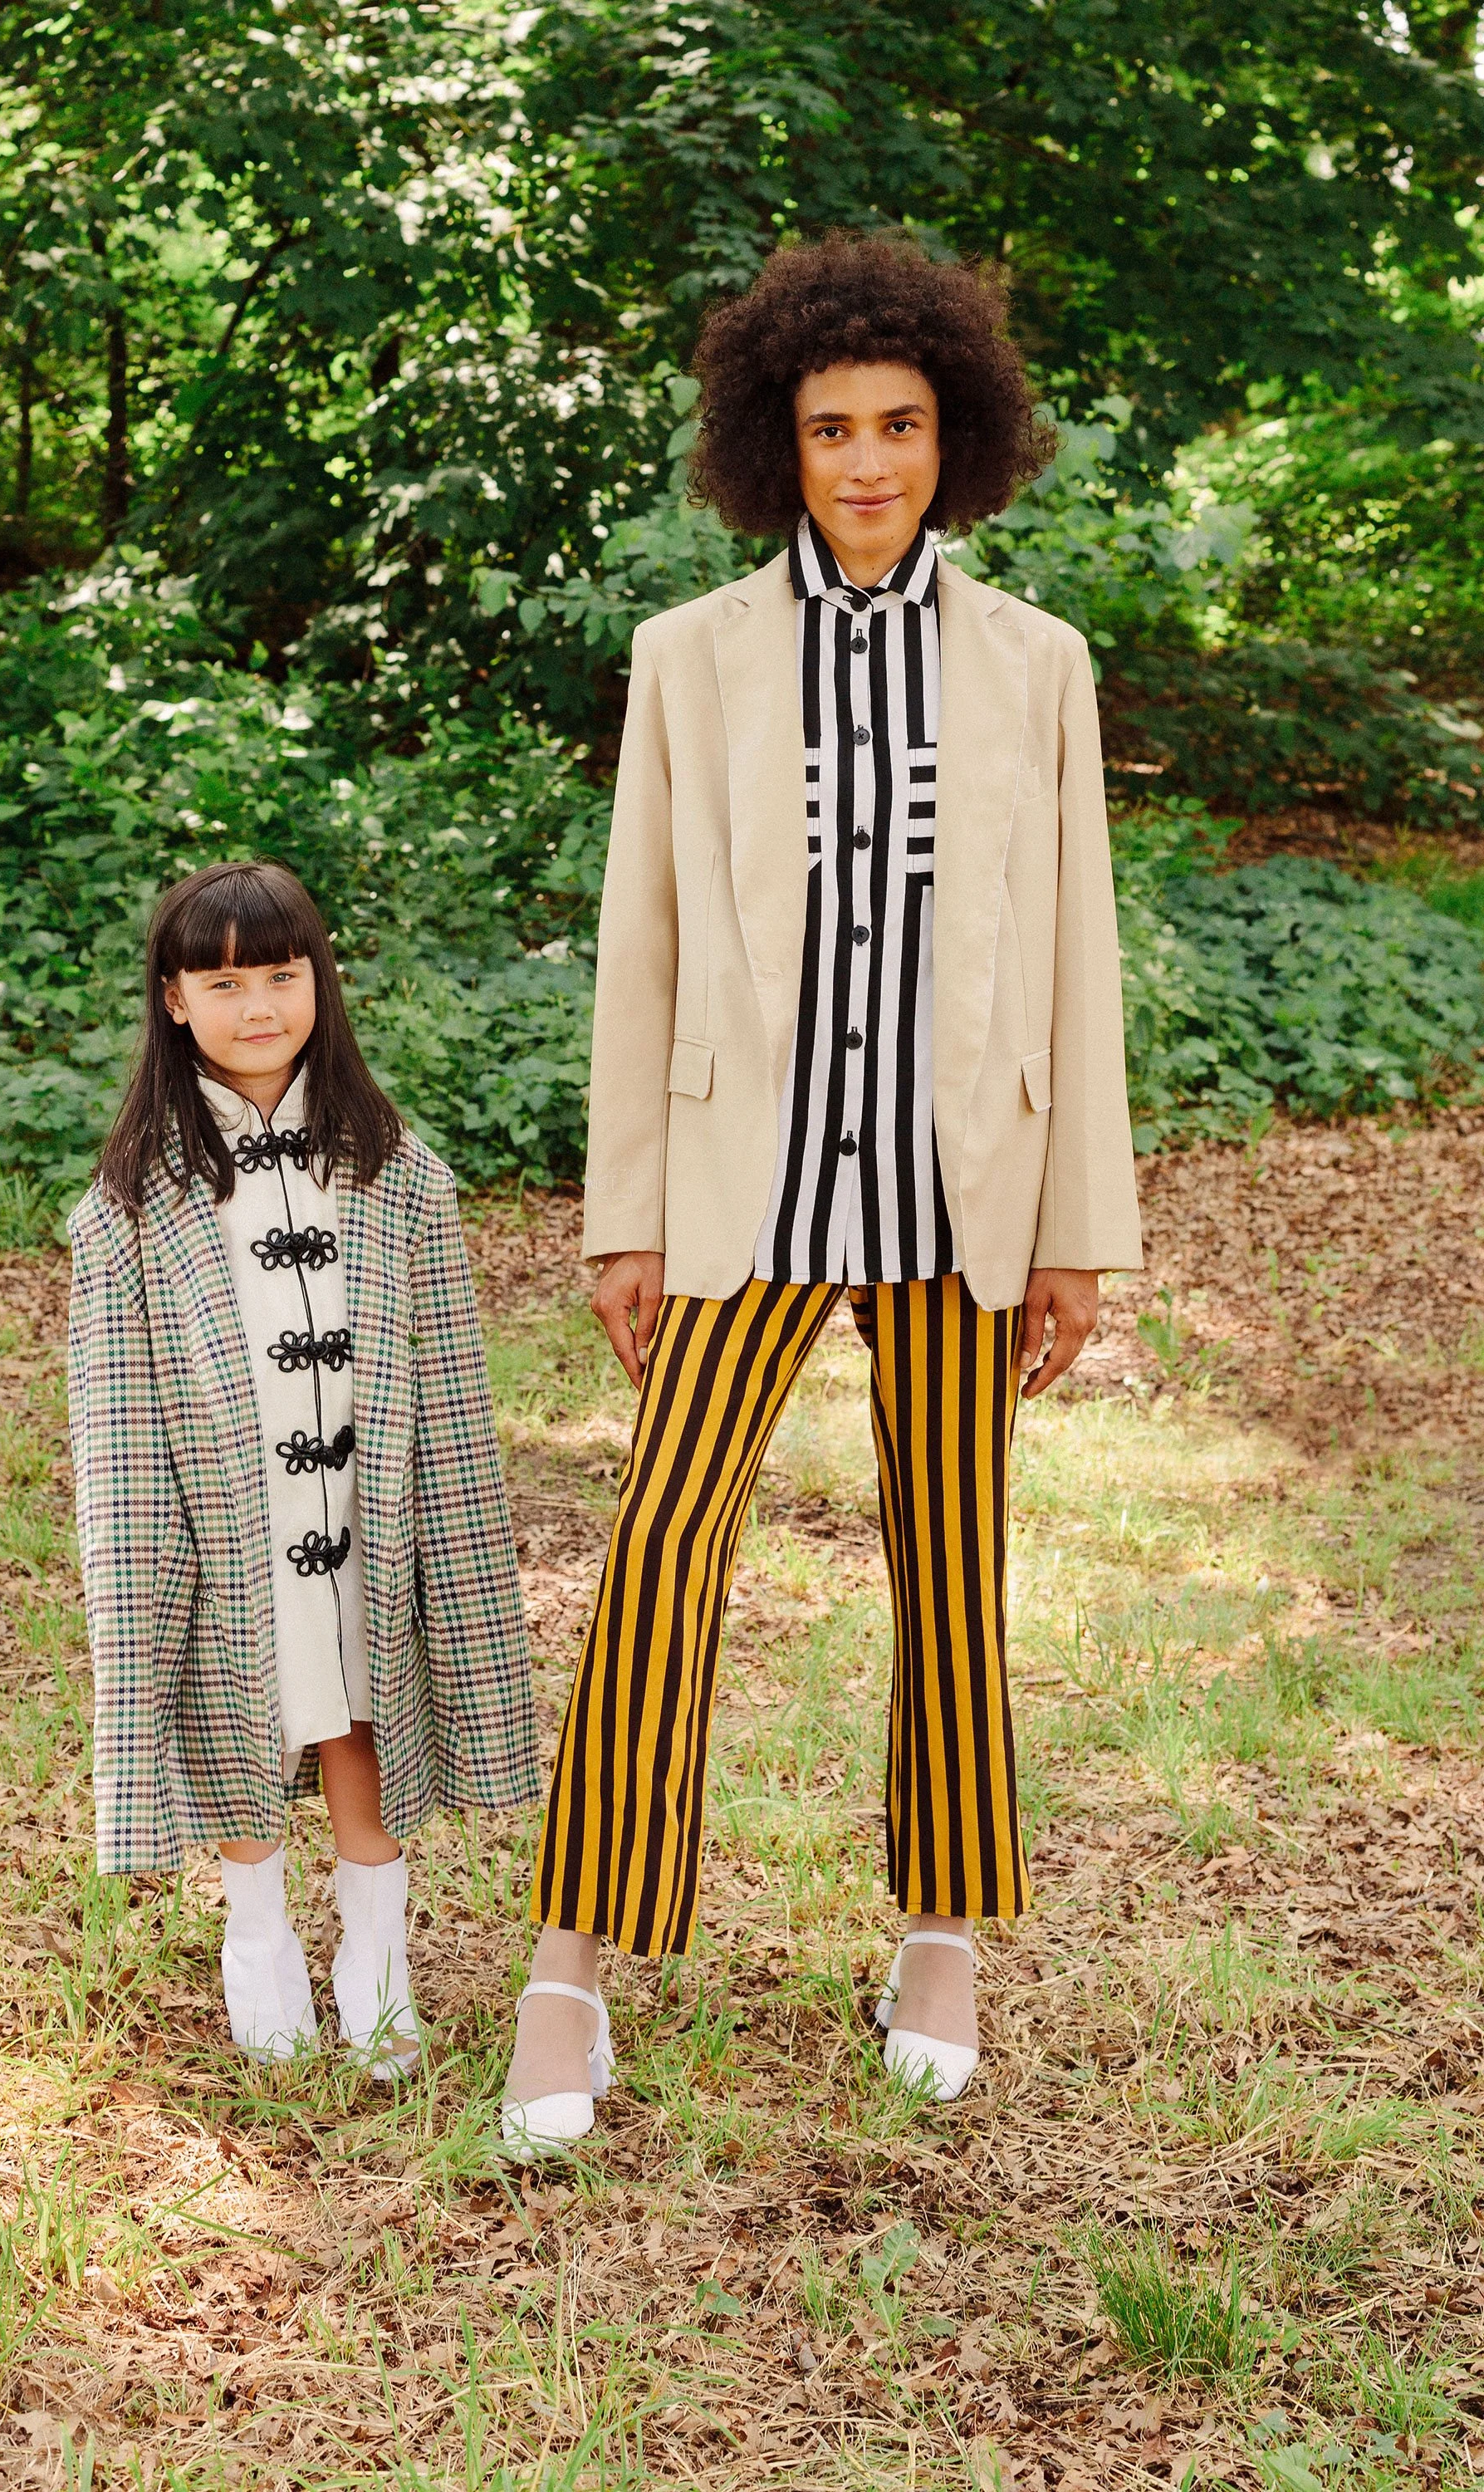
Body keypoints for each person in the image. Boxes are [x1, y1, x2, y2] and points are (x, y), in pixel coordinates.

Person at [501, 231, 1143, 2156]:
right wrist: (626, 1206)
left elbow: (1076, 955)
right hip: (739, 1180)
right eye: (832, 427)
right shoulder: (689, 659)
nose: (868, 461)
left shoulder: (1036, 664)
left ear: (961, 438)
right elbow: (645, 942)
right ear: (774, 444)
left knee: (953, 1568)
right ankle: (566, 1969)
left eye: (903, 425)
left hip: (969, 1188)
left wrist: (1075, 1230)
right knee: (656, 1562)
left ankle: (938, 1937)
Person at [67, 859, 537, 2071]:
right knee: (235, 1723)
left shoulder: (401, 1176)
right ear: (174, 1000)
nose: (259, 1005)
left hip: (368, 1517)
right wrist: (141, 1563)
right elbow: (114, 1424)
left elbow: (452, 1394)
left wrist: (450, 1537)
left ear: (319, 981)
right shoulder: (130, 1206)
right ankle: (260, 1936)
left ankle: (375, 1951)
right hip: (222, 1526)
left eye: (282, 974)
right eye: (224, 980)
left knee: (360, 1717)